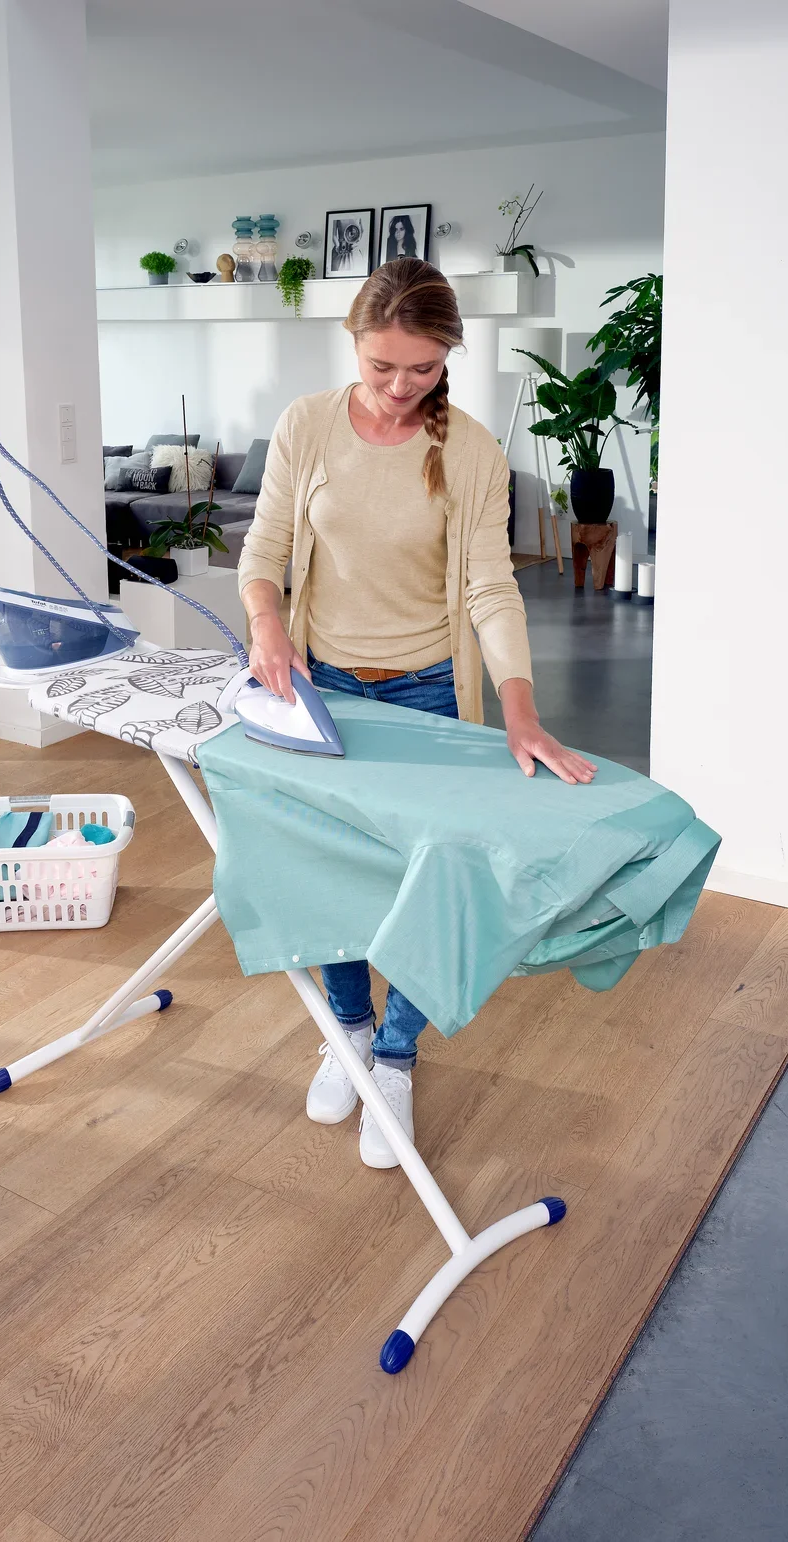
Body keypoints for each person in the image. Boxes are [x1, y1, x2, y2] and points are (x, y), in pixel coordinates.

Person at [235, 256, 595, 1171]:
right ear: (353, 345)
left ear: (450, 357)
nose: (399, 389)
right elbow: (267, 541)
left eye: (423, 369)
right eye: (381, 366)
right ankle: (349, 1034)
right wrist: (269, 625)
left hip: (430, 691)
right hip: (323, 690)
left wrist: (520, 711)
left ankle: (397, 1054)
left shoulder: (469, 451)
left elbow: (490, 586)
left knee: (431, 882)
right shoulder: (306, 426)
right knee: (336, 870)